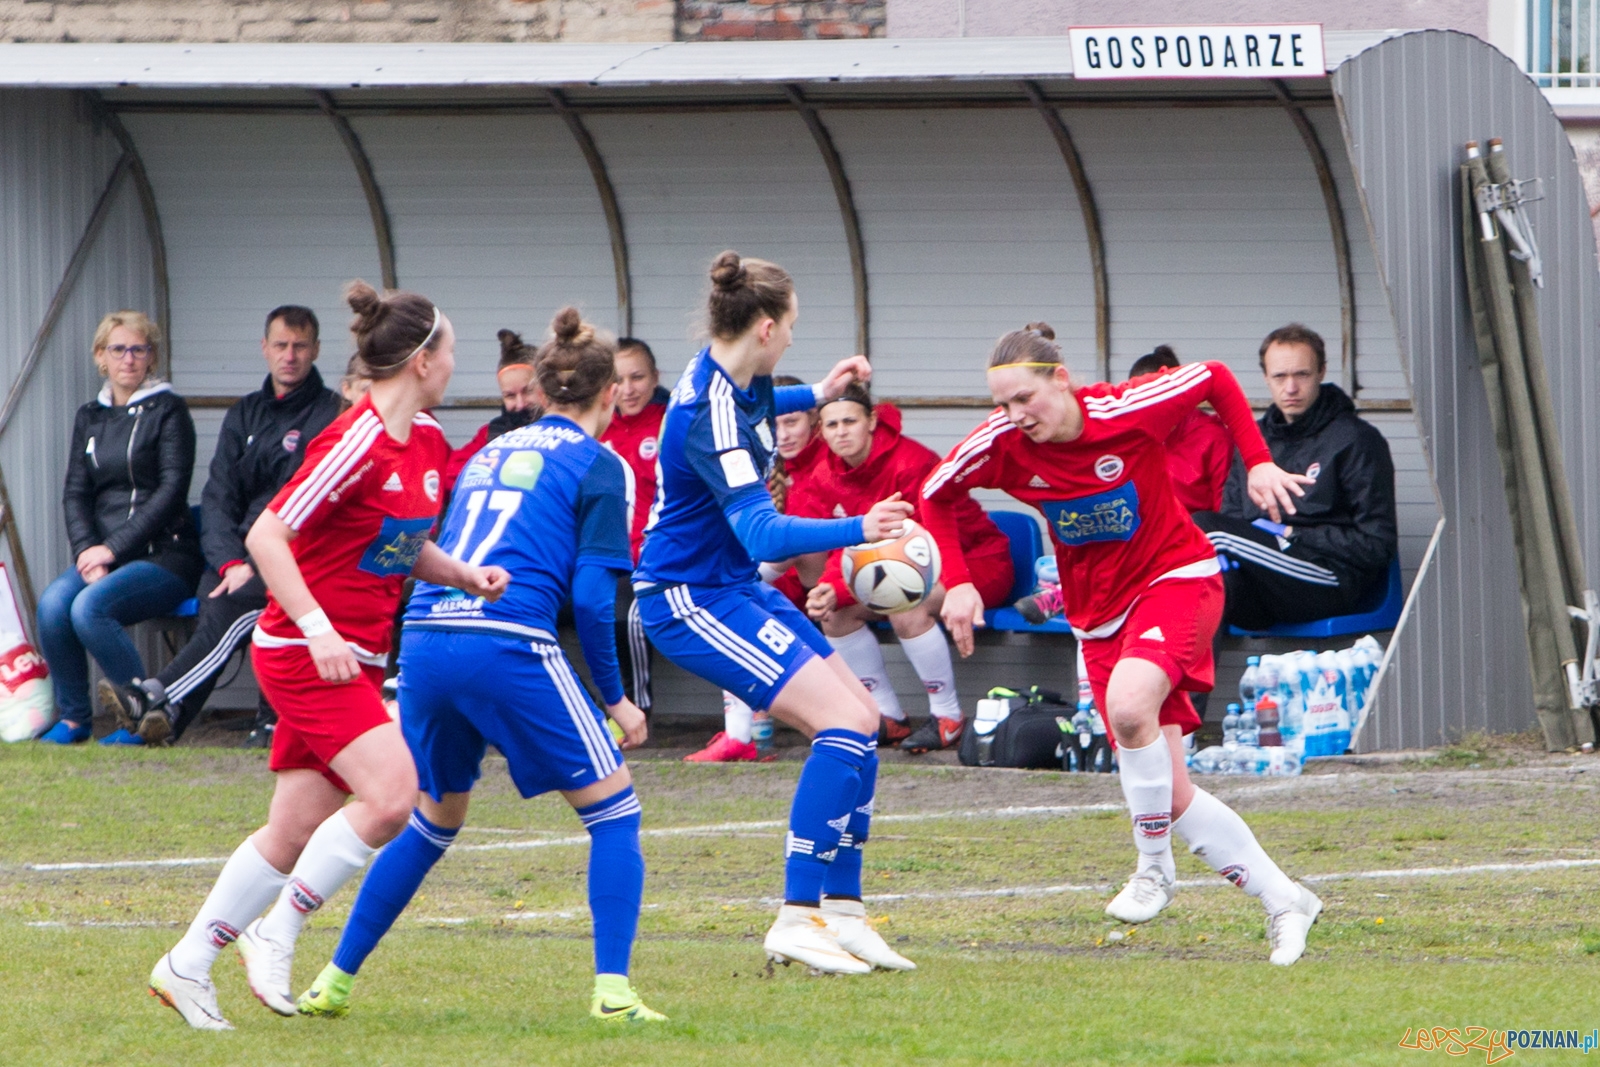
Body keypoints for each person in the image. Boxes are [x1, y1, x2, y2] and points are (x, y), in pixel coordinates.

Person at [148, 282, 509, 1030]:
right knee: (392, 794)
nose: (453, 364)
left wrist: (463, 572)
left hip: (361, 655)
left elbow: (400, 547)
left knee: (291, 830)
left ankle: (187, 962)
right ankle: (275, 929)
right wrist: (315, 626)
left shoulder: (429, 443)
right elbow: (266, 537)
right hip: (304, 651)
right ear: (418, 361)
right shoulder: (355, 440)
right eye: (447, 350)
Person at [294, 307, 663, 1024]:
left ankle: (333, 979)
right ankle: (614, 993)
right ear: (610, 395)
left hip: (428, 636)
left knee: (434, 816)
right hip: (507, 640)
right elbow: (592, 597)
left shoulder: (491, 450)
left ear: (542, 388)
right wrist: (616, 700)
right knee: (616, 814)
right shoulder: (601, 465)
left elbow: (406, 544)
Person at [924, 322, 1324, 966]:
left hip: (1177, 578)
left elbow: (1216, 376)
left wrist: (1259, 462)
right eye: (1002, 404)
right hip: (1098, 618)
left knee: (1131, 707)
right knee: (1168, 790)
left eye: (1025, 398)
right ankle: (1286, 901)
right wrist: (960, 582)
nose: (1014, 416)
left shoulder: (1125, 407)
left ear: (1061, 379)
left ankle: (1153, 868)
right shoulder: (1001, 445)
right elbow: (934, 493)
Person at [634, 250, 916, 974]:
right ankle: (797, 915)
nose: (791, 339)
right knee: (844, 724)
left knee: (864, 719)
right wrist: (863, 528)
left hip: (728, 587)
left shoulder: (730, 373)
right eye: (790, 327)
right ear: (764, 326)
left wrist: (818, 392)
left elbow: (763, 405)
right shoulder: (709, 412)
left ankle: (843, 912)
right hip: (688, 598)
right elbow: (762, 533)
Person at [99, 306, 341, 747]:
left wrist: (253, 560)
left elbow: (301, 503)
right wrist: (230, 561)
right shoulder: (244, 414)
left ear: (316, 351)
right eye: (281, 345)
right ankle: (169, 716)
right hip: (236, 558)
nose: (290, 356)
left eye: (300, 346)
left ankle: (157, 698)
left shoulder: (330, 414)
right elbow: (218, 498)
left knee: (228, 611)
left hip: (293, 555)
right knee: (219, 603)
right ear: (264, 349)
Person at [804, 383, 1013, 753]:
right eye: (831, 424)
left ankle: (948, 717)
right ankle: (888, 716)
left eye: (850, 421)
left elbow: (917, 552)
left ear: (871, 421)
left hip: (974, 562)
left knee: (906, 603)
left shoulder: (910, 462)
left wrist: (841, 584)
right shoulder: (824, 474)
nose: (841, 432)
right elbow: (843, 545)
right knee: (834, 614)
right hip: (899, 572)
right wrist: (829, 588)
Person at [37, 311, 203, 745]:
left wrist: (111, 550)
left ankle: (144, 716)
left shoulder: (169, 411)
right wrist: (87, 550)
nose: (128, 359)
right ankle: (74, 719)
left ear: (151, 358)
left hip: (166, 555)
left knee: (89, 608)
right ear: (101, 357)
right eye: (118, 349)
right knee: (54, 605)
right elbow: (75, 493)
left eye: (139, 349)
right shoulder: (89, 416)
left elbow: (170, 492)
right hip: (102, 555)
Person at [1193, 324, 1398, 631]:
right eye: (1279, 376)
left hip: (1330, 580)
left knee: (1202, 529)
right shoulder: (1254, 440)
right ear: (1265, 378)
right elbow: (1233, 518)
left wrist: (1290, 533)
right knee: (1203, 587)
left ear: (1321, 372)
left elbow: (1377, 545)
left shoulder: (1356, 440)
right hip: (1264, 580)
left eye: (1301, 374)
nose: (1290, 388)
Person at [1014, 344, 1232, 625]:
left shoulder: (1211, 437)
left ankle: (1063, 595)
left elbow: (1222, 515)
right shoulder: (1126, 429)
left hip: (1183, 544)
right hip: (1131, 539)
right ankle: (1065, 590)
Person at [685, 373, 827, 764]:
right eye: (774, 423)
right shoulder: (750, 460)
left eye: (792, 421)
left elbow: (800, 539)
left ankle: (747, 734)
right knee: (728, 600)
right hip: (768, 590)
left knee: (731, 594)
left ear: (814, 420)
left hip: (823, 593)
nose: (783, 433)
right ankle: (743, 735)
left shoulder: (826, 463)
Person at [600, 337, 667, 716]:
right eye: (618, 379)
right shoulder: (597, 428)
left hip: (648, 558)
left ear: (655, 378)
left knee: (629, 614)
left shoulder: (667, 425)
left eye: (638, 377)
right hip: (598, 555)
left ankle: (636, 709)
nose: (627, 389)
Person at [443, 329, 545, 489]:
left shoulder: (568, 428)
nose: (520, 404)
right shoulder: (490, 434)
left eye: (527, 391)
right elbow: (452, 475)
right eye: (510, 396)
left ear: (545, 387)